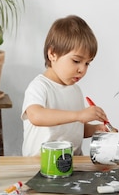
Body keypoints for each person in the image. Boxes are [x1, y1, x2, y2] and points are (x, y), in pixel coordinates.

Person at [22, 15, 109, 156]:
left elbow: (73, 129)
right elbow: (36, 116)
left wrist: (96, 129)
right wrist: (79, 115)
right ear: (52, 54)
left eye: (87, 63)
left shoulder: (75, 90)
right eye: (76, 61)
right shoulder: (40, 86)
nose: (82, 69)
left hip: (71, 165)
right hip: (40, 166)